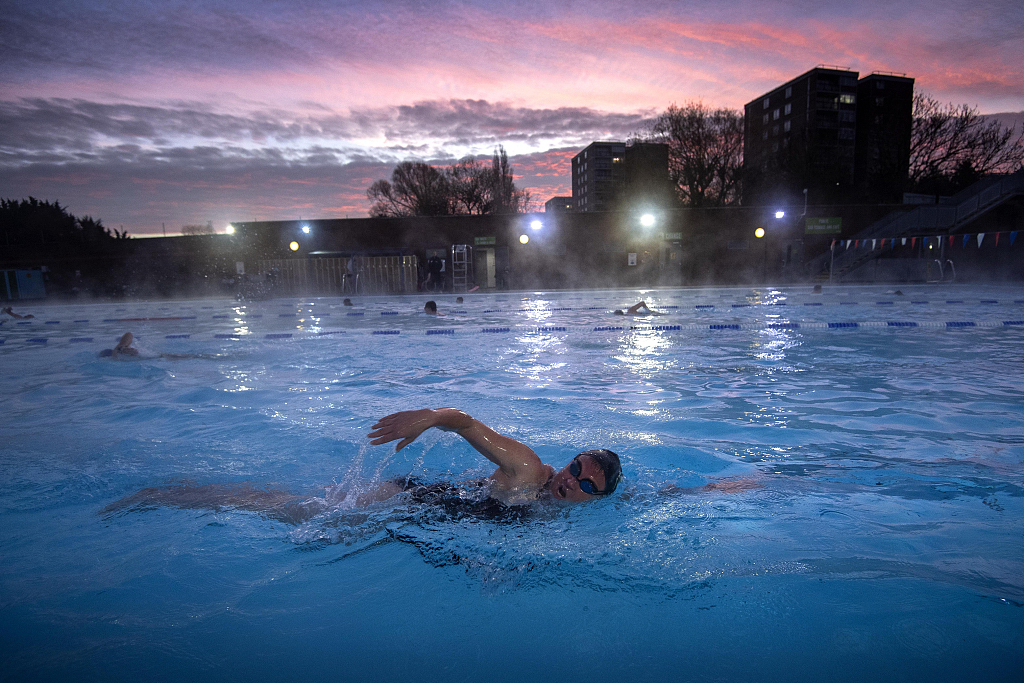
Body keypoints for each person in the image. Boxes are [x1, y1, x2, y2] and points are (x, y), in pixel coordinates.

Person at [103, 408, 624, 524]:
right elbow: (466, 423)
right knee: (299, 514)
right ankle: (171, 494)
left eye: (584, 483)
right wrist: (430, 418)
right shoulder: (529, 470)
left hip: (431, 516)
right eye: (575, 465)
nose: (570, 479)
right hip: (411, 499)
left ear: (595, 498)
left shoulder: (575, 507)